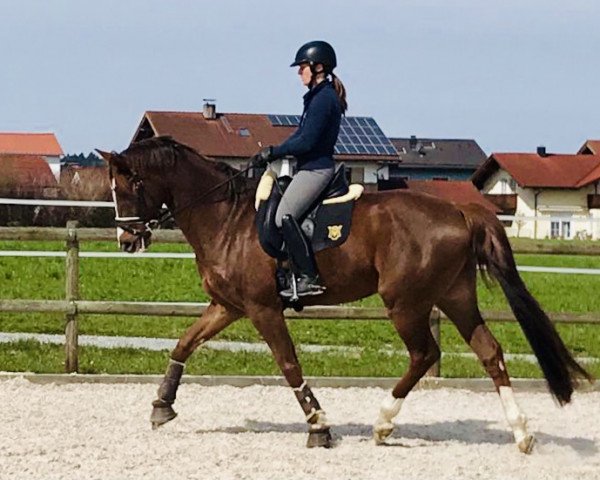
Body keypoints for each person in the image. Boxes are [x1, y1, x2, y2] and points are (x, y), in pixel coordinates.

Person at [252, 40, 348, 298]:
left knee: (284, 215)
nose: (298, 72)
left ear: (318, 67)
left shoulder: (324, 99)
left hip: (316, 169)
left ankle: (308, 277)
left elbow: (307, 141)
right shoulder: (316, 97)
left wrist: (274, 151)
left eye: (302, 67)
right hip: (307, 167)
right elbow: (299, 135)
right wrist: (275, 150)